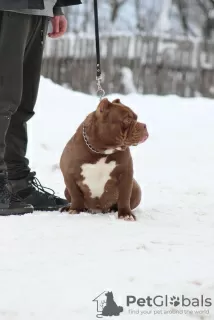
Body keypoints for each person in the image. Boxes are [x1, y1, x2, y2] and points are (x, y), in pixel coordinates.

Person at [0, 0, 81, 215]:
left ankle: (16, 182)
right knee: (4, 95)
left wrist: (55, 7)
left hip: (38, 6)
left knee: (22, 100)